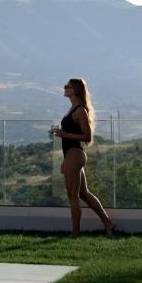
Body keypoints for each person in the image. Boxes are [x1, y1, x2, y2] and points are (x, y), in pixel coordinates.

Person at [50, 78, 116, 236]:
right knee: (83, 193)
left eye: (68, 86)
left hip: (75, 154)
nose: (64, 88)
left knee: (72, 195)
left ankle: (75, 232)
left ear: (76, 90)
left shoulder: (80, 111)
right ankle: (108, 223)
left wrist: (63, 133)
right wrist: (66, 160)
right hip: (72, 155)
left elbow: (87, 137)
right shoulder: (73, 109)